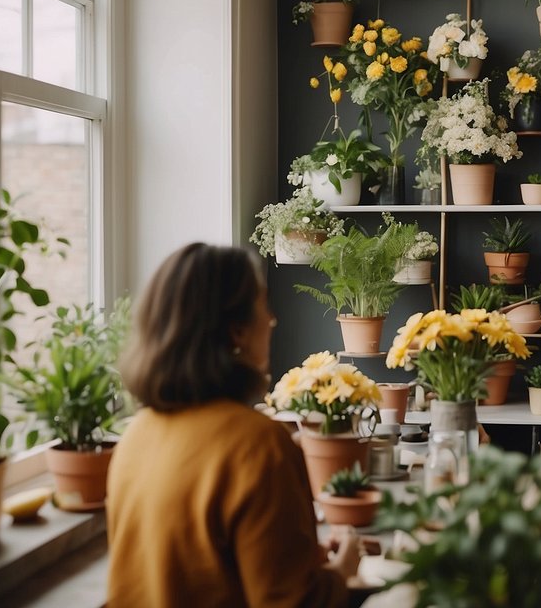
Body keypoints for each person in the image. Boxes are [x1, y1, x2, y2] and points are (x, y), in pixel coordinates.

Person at [108, 242, 358, 607]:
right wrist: (342, 570)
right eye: (263, 304)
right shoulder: (259, 445)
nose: (272, 320)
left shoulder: (135, 436)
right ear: (237, 330)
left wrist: (299, 557)